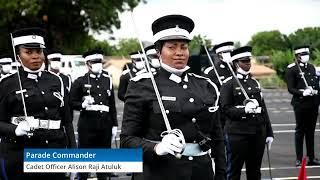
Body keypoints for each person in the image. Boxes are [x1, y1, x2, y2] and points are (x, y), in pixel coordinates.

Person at [120, 14, 226, 180]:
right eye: (172, 47)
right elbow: (127, 141)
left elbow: (217, 137)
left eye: (183, 47)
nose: (179, 53)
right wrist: (156, 148)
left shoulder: (206, 86)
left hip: (201, 172)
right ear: (158, 51)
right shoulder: (142, 85)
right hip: (159, 172)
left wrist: (221, 174)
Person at [0, 27, 76, 180]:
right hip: (22, 154)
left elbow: (67, 122)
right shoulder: (7, 84)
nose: (35, 56)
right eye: (28, 52)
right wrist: (15, 129)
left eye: (39, 51)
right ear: (18, 56)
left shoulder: (57, 80)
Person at [220, 46, 274, 180]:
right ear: (236, 63)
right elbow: (225, 109)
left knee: (255, 171)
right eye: (244, 61)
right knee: (234, 171)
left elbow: (263, 109)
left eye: (249, 61)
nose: (248, 64)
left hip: (257, 132)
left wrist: (269, 132)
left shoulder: (254, 82)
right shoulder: (228, 84)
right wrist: (244, 110)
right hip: (237, 134)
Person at [69, 49, 118, 180]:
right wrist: (82, 105)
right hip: (87, 125)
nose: (98, 64)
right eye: (94, 62)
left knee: (103, 160)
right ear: (88, 64)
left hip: (105, 125)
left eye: (99, 62)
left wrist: (114, 125)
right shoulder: (80, 81)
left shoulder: (107, 80)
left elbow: (112, 105)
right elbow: (71, 102)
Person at [285, 45, 320, 166]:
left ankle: (311, 157)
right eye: (303, 54)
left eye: (307, 54)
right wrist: (302, 92)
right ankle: (299, 158)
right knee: (300, 131)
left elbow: (316, 84)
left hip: (313, 103)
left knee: (311, 131)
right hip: (300, 104)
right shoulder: (292, 69)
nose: (306, 56)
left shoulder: (311, 67)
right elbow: (290, 88)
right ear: (297, 56)